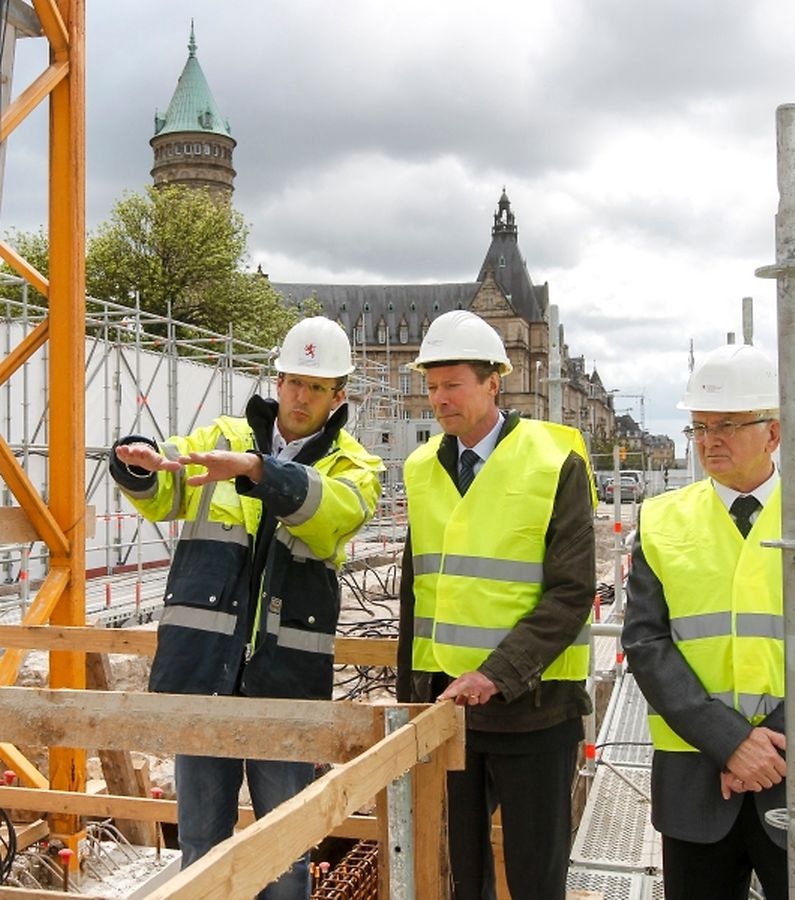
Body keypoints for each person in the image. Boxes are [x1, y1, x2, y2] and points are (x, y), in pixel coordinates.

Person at [109, 316, 383, 899]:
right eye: (293, 382)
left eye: (316, 387)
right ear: (278, 380)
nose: (300, 397)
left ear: (339, 396)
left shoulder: (355, 465)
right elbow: (167, 486)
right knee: (202, 852)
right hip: (203, 671)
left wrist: (261, 470)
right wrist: (138, 463)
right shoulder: (226, 435)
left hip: (285, 684)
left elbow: (335, 512)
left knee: (284, 857)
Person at [396, 309, 596, 900]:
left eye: (452, 384)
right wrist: (413, 694)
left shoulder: (553, 461)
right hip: (449, 713)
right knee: (461, 875)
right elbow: (416, 589)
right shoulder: (421, 468)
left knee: (536, 877)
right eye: (430, 386)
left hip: (536, 710)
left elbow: (572, 592)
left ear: (494, 381)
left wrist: (496, 674)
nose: (438, 399)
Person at [622, 342, 786, 900]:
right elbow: (646, 642)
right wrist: (731, 742)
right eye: (700, 426)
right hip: (696, 779)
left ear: (773, 432)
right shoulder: (663, 518)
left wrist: (770, 746)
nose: (710, 439)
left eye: (728, 425)